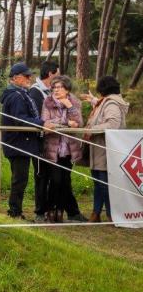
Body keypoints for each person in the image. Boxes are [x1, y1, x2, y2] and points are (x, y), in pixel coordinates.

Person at [0, 62, 53, 219]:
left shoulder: (21, 93)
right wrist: (42, 124)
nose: (30, 78)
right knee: (19, 180)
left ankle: (16, 210)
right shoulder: (16, 96)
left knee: (20, 179)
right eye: (26, 76)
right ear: (15, 78)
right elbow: (20, 119)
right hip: (17, 144)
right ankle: (14, 212)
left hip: (21, 143)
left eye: (30, 75)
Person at [82, 75, 129, 223]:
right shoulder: (107, 102)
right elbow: (103, 109)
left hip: (106, 149)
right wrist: (93, 101)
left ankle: (111, 214)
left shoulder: (112, 104)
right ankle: (96, 213)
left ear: (103, 89)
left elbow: (112, 124)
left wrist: (92, 129)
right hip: (100, 148)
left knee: (104, 184)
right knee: (98, 182)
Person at [40, 75, 87, 223]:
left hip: (69, 148)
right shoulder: (47, 102)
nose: (56, 90)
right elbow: (46, 122)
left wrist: (69, 106)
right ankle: (51, 209)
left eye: (60, 87)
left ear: (67, 89)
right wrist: (66, 122)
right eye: (54, 87)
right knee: (56, 180)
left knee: (65, 180)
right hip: (52, 147)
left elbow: (79, 122)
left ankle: (60, 211)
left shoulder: (74, 102)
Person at [26, 60, 58, 221]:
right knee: (41, 175)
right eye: (57, 74)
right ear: (51, 73)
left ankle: (50, 209)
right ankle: (39, 211)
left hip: (52, 140)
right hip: (39, 141)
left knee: (53, 175)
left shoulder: (51, 91)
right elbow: (37, 115)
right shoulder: (36, 91)